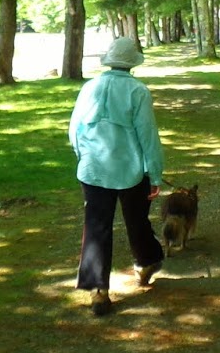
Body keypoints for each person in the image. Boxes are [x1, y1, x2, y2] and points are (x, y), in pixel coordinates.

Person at [68, 36, 166, 316]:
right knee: (137, 220)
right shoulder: (138, 91)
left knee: (96, 227)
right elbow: (147, 136)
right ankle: (147, 262)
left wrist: (83, 156)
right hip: (130, 170)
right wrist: (155, 173)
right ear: (133, 63)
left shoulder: (90, 87)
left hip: (94, 169)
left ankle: (98, 291)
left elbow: (74, 129)